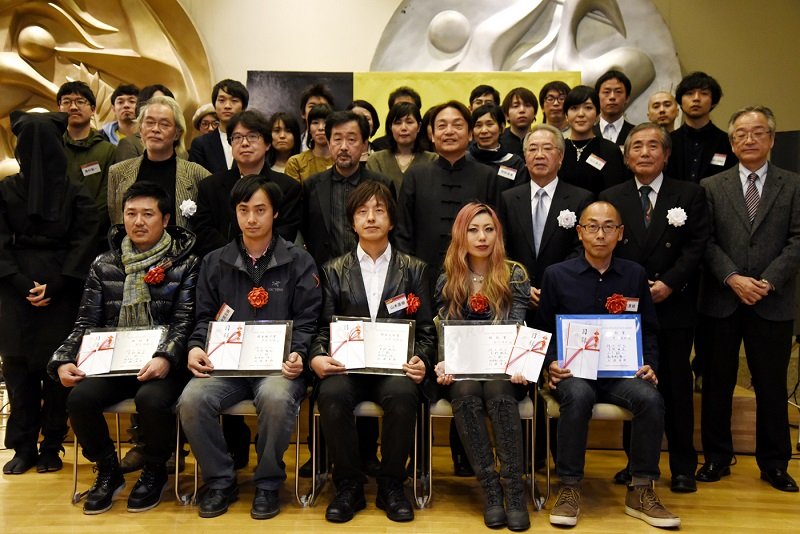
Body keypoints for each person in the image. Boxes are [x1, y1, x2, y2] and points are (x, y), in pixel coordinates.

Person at [49, 181, 198, 514]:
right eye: (131, 213)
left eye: (148, 214)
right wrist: (62, 359)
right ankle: (107, 469)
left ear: (166, 218)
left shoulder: (185, 263)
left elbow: (185, 321)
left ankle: (155, 468)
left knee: (151, 398)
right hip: (114, 362)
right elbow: (85, 322)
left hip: (165, 365)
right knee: (79, 397)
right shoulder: (105, 264)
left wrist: (164, 356)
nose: (138, 221)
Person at [178, 176, 322, 519]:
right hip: (228, 367)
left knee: (274, 397)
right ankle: (220, 480)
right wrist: (196, 347)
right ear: (236, 214)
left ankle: (269, 483)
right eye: (244, 210)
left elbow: (308, 319)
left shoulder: (299, 260)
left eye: (260, 210)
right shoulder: (214, 261)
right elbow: (203, 317)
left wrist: (299, 353)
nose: (252, 219)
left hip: (279, 367)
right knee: (192, 399)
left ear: (274, 213)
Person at [536, 201, 680, 528]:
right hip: (575, 372)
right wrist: (550, 364)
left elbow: (650, 329)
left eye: (608, 227)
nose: (600, 234)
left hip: (620, 372)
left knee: (649, 398)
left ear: (620, 233)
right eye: (592, 226)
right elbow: (541, 331)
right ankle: (570, 486)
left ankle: (641, 488)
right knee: (578, 396)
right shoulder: (557, 275)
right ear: (580, 232)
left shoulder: (634, 275)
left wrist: (650, 364)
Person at [310, 181, 435, 523]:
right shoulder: (334, 270)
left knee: (403, 393)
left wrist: (421, 360)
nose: (371, 218)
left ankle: (391, 485)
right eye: (362, 212)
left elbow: (426, 331)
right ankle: (348, 486)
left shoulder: (415, 269)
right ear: (352, 222)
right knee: (332, 393)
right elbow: (322, 328)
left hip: (394, 370)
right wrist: (318, 356)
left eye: (379, 210)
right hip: (347, 369)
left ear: (391, 220)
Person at [600, 123, 710, 493]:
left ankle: (682, 466)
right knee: (636, 384)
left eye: (653, 146)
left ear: (665, 154)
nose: (645, 152)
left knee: (677, 387)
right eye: (637, 147)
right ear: (627, 157)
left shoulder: (690, 194)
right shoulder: (612, 195)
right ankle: (636, 464)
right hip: (626, 310)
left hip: (673, 304)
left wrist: (669, 283)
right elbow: (605, 246)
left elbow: (697, 246)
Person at [697, 106, 800, 493]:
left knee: (771, 385)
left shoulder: (793, 184)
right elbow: (705, 242)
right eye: (741, 133)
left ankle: (774, 463)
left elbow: (798, 240)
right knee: (717, 383)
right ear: (732, 141)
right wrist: (733, 278)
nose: (750, 139)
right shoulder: (712, 186)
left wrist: (767, 282)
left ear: (772, 139)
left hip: (772, 301)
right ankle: (717, 458)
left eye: (758, 132)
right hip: (722, 300)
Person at [0, 111, 98, 475]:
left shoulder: (76, 192)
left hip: (62, 290)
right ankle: (22, 446)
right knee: (17, 371)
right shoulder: (7, 189)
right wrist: (19, 282)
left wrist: (57, 284)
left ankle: (52, 444)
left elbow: (86, 241)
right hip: (16, 291)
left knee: (57, 372)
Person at [434, 202, 531, 531]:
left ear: (498, 234)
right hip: (463, 371)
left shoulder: (514, 273)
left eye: (488, 229)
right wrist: (444, 361)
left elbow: (517, 324)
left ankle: (514, 491)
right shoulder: (449, 277)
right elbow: (445, 327)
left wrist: (519, 362)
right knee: (465, 390)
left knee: (498, 389)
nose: (482, 237)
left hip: (506, 370)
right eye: (473, 230)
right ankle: (490, 489)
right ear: (461, 234)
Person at [396, 100, 498, 269]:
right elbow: (403, 234)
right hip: (423, 275)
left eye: (457, 125)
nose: (449, 132)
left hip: (475, 274)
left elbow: (497, 231)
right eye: (442, 126)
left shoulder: (487, 176)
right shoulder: (415, 176)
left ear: (470, 133)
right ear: (433, 135)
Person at [191, 110, 301, 257]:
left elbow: (285, 234)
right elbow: (204, 232)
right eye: (237, 137)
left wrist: (253, 258)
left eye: (252, 136)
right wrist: (234, 257)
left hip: (271, 269)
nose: (244, 143)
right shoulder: (209, 186)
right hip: (221, 268)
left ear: (268, 144)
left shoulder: (288, 188)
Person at [302, 110, 395, 267]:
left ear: (364, 144)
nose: (344, 147)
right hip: (323, 275)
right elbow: (306, 231)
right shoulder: (312, 186)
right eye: (337, 139)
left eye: (351, 139)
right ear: (329, 142)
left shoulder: (382, 184)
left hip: (372, 271)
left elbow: (392, 231)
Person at [107, 95, 210, 229]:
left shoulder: (197, 174)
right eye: (149, 122)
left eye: (164, 124)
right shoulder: (118, 172)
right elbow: (116, 222)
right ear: (140, 129)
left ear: (177, 133)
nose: (155, 129)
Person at [58, 81, 116, 251]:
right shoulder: (52, 147)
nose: (73, 107)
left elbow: (108, 195)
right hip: (56, 237)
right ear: (59, 108)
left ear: (93, 109)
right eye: (67, 101)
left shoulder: (108, 150)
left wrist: (87, 226)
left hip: (95, 238)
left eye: (80, 101)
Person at [666, 72, 737, 183]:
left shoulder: (728, 142)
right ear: (680, 102)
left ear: (713, 102)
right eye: (689, 93)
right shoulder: (668, 142)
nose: (696, 99)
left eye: (704, 94)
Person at [560, 85, 626, 196]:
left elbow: (616, 192)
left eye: (588, 108)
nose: (581, 114)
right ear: (566, 115)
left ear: (597, 115)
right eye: (574, 108)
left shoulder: (610, 150)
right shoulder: (558, 149)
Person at [366, 102, 437, 192]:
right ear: (390, 127)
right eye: (397, 123)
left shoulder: (432, 160)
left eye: (409, 122)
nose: (403, 128)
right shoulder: (376, 160)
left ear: (419, 127)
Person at [189, 79, 249, 173]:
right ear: (215, 105)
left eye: (234, 100)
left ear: (243, 107)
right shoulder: (201, 144)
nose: (227, 106)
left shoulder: (254, 141)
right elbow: (194, 180)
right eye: (221, 100)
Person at [467, 104, 528, 193]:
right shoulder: (465, 160)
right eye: (478, 125)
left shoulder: (514, 163)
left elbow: (519, 197)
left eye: (490, 124)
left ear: (502, 128)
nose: (484, 131)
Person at [114, 84, 178, 164]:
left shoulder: (180, 149)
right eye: (154, 102)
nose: (159, 107)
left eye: (164, 102)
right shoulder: (130, 144)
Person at [284, 103, 334, 183]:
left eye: (326, 122)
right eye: (315, 123)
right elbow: (293, 194)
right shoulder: (295, 163)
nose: (321, 128)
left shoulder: (341, 161)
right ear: (309, 129)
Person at [371, 86, 423, 152]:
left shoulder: (429, 147)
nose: (404, 110)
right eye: (399, 107)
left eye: (409, 106)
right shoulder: (378, 146)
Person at [592, 70, 634, 146]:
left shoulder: (636, 133)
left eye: (618, 92)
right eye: (606, 92)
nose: (612, 97)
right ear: (597, 97)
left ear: (627, 98)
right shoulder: (587, 133)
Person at [500, 87, 538, 157]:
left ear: (535, 113)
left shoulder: (541, 139)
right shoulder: (498, 142)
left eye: (527, 105)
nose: (522, 110)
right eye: (515, 106)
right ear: (506, 115)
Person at [298, 83, 335, 152]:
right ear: (303, 113)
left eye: (322, 106)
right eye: (312, 106)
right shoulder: (295, 144)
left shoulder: (339, 145)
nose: (318, 109)